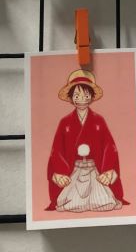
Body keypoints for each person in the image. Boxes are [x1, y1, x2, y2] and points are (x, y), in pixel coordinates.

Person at [46, 69, 126, 212]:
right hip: (74, 171)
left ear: (92, 97)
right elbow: (56, 150)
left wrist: (108, 170)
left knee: (102, 201)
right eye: (77, 95)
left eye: (86, 95)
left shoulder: (98, 120)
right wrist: (60, 172)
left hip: (95, 170)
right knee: (71, 203)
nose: (82, 99)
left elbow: (109, 146)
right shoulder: (65, 122)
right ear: (71, 98)